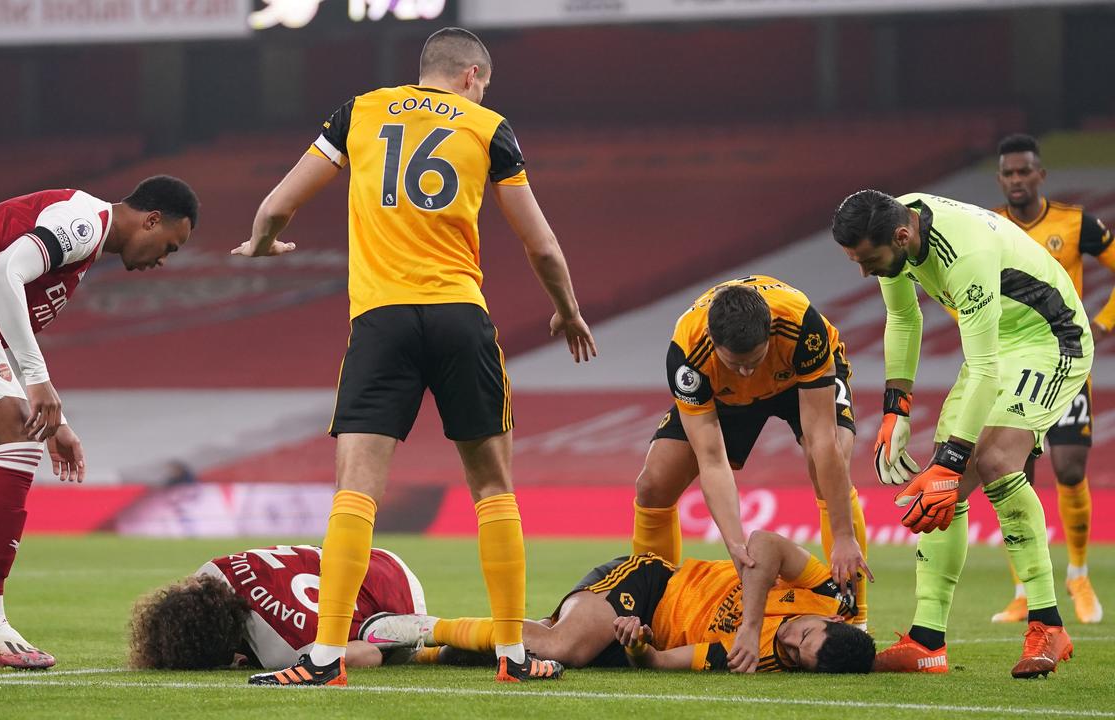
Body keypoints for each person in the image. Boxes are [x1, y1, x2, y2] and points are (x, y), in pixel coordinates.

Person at [234, 27, 595, 686]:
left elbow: (277, 205)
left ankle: (323, 658)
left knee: (356, 490)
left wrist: (262, 241)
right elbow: (541, 245)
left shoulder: (360, 111)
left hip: (382, 322)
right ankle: (514, 655)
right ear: (472, 77)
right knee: (492, 487)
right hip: (461, 318)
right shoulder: (489, 127)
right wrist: (567, 310)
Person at [0, 176, 199, 669]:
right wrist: (37, 381)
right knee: (19, 441)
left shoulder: (81, 240)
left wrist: (58, 419)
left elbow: (0, 304)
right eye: (169, 245)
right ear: (151, 219)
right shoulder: (84, 224)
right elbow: (3, 275)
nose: (163, 259)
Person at [834, 189, 1084, 678]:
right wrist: (896, 409)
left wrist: (953, 461)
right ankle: (927, 641)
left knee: (990, 462)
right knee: (940, 488)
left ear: (902, 236)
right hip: (995, 348)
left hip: (1050, 340)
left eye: (869, 261)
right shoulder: (895, 222)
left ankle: (1049, 625)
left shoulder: (963, 253)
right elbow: (904, 317)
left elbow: (987, 367)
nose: (864, 272)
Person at [634, 276, 871, 626]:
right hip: (725, 395)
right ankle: (649, 607)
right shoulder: (688, 353)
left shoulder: (804, 326)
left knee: (827, 468)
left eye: (754, 360)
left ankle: (855, 619)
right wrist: (736, 546)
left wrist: (844, 536)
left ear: (770, 332)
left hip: (797, 381)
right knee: (653, 485)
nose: (746, 371)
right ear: (714, 342)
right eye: (736, 363)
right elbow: (712, 460)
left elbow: (823, 440)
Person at [358, 530, 873, 674]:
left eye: (792, 655)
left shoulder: (758, 659)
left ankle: (420, 651)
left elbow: (662, 661)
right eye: (802, 633)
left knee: (539, 648)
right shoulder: (827, 592)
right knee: (564, 647)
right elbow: (763, 544)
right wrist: (752, 622)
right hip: (651, 583)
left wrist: (639, 645)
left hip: (639, 624)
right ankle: (417, 626)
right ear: (823, 619)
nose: (786, 640)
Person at [988, 133, 1105, 625]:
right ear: (1001, 179)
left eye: (1024, 171)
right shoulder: (989, 227)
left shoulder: (1075, 224)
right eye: (1009, 173)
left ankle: (1078, 573)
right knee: (1017, 475)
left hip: (1067, 361)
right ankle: (1024, 589)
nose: (1017, 180)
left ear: (1041, 175)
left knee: (1071, 470)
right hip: (1014, 367)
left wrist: (1101, 322)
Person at [129, 544, 428, 672]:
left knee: (369, 642)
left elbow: (370, 654)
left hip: (401, 602)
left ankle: (438, 646)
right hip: (377, 558)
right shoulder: (213, 569)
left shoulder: (281, 649)